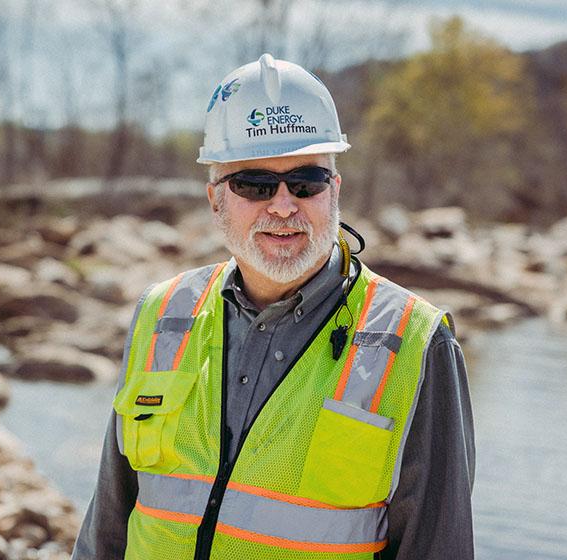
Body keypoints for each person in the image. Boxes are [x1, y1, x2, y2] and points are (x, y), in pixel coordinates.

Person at [71, 54, 475, 560]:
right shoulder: (162, 314)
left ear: (335, 191)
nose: (283, 206)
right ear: (214, 198)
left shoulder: (415, 342)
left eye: (306, 181)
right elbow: (108, 524)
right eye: (255, 185)